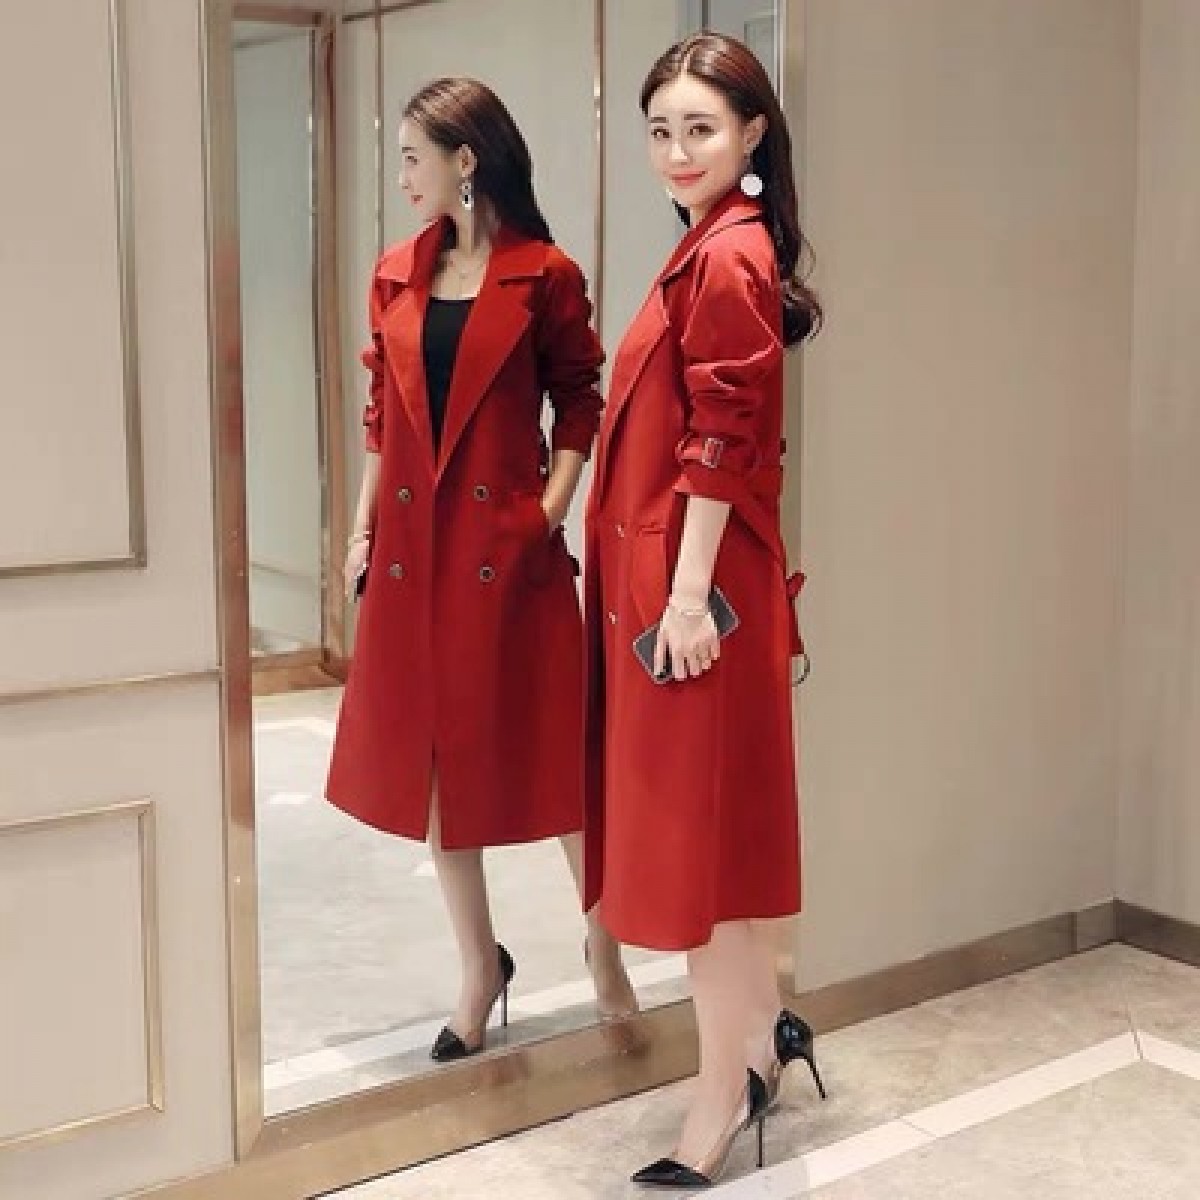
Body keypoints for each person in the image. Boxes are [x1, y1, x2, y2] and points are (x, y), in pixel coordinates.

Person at [327, 76, 636, 1064]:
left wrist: (547, 514)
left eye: (413, 157)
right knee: (435, 771)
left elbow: (580, 403)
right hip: (413, 559)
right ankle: (479, 969)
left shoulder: (546, 276)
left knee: (557, 769)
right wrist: (361, 529)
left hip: (508, 556)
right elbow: (383, 418)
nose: (403, 177)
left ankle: (604, 950)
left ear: (467, 160)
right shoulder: (396, 274)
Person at [583, 33, 825, 1188]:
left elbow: (721, 442)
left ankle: (722, 1097)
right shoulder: (715, 244)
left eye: (701, 129)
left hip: (695, 608)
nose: (677, 151)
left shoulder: (727, 256)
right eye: (661, 130)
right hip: (689, 594)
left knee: (702, 871)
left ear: (752, 135)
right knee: (713, 848)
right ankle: (766, 1042)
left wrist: (685, 599)